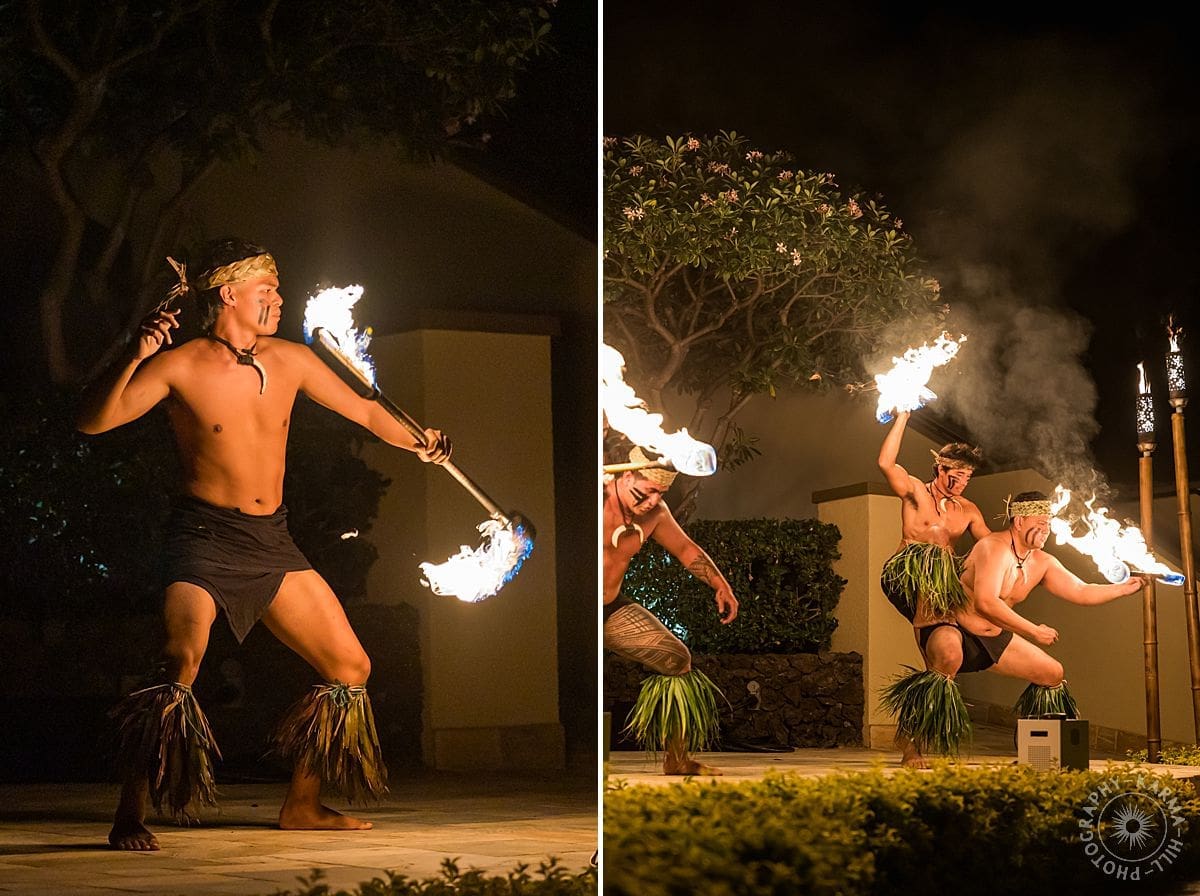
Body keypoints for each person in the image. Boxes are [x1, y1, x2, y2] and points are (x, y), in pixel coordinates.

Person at [77, 239, 452, 851]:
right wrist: (134, 352)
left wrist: (418, 442)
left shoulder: (293, 360)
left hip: (270, 541)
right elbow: (95, 421)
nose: (278, 300)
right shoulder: (182, 364)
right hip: (202, 538)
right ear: (228, 294)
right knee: (179, 666)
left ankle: (302, 805)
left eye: (277, 290)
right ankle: (129, 811)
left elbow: (363, 410)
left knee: (350, 667)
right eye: (266, 291)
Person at [882, 491, 1145, 762]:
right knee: (949, 655)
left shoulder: (1042, 562)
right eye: (1039, 522)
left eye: (1048, 523)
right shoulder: (993, 547)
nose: (1046, 529)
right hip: (953, 624)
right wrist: (1033, 630)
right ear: (1019, 521)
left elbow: (1081, 590)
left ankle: (1038, 752)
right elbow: (985, 602)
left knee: (1051, 672)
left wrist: (1123, 589)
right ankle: (912, 742)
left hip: (992, 635)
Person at [603, 446, 738, 775]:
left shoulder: (655, 513)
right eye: (647, 492)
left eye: (659, 493)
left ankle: (677, 760)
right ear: (627, 475)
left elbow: (685, 549)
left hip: (609, 608)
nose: (651, 501)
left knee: (677, 659)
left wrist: (721, 585)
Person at [876, 410, 989, 765]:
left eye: (967, 477)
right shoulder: (914, 492)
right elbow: (885, 462)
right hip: (906, 574)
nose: (962, 483)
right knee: (938, 539)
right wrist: (904, 415)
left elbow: (991, 549)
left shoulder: (968, 509)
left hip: (941, 587)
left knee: (939, 663)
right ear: (939, 469)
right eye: (957, 476)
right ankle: (949, 628)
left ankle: (912, 740)